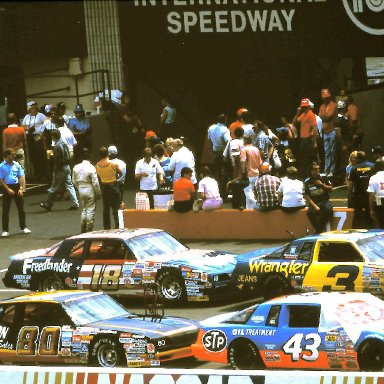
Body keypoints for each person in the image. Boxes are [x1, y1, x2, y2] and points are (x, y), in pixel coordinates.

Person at [39, 130, 80, 212]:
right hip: (67, 167)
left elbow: (58, 159)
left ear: (53, 137)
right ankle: (75, 203)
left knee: (54, 187)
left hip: (60, 169)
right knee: (69, 185)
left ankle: (48, 204)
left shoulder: (57, 146)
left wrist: (55, 166)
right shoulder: (64, 144)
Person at [0, 149, 31, 237]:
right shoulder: (2, 166)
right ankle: (5, 230)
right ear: (7, 155)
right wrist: (7, 189)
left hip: (16, 187)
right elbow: (1, 179)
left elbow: (20, 176)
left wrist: (21, 188)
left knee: (21, 209)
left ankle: (23, 227)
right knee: (5, 210)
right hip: (6, 187)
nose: (14, 156)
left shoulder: (16, 164)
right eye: (12, 155)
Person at [72, 148, 101, 233]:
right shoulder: (91, 167)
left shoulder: (76, 167)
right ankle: (89, 228)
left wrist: (78, 187)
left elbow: (74, 180)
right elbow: (95, 182)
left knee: (84, 208)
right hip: (89, 188)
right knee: (91, 209)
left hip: (81, 188)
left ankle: (83, 227)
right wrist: (98, 193)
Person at [96, 146, 123, 229]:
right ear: (108, 153)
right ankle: (118, 226)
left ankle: (107, 227)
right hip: (113, 186)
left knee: (106, 209)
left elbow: (98, 176)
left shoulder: (97, 165)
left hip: (104, 187)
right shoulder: (113, 164)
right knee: (116, 208)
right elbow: (121, 173)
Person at [304, 162, 333, 234]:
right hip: (314, 202)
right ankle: (318, 230)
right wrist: (314, 206)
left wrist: (322, 185)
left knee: (328, 209)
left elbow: (331, 188)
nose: (317, 170)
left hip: (324, 201)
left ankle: (318, 231)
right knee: (310, 213)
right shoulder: (307, 181)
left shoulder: (323, 177)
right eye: (315, 169)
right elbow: (306, 195)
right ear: (311, 171)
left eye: (318, 169)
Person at [348, 151, 374, 228]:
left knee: (357, 215)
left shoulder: (354, 168)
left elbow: (351, 184)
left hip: (358, 195)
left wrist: (350, 195)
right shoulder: (372, 166)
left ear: (357, 158)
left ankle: (355, 231)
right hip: (369, 195)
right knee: (369, 214)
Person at [292, 98, 318, 178]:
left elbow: (315, 128)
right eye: (303, 107)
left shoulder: (311, 114)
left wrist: (314, 142)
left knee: (308, 160)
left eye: (305, 107)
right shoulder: (303, 114)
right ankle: (306, 176)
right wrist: (297, 113)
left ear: (308, 106)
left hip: (308, 139)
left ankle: (310, 176)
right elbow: (294, 122)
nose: (304, 108)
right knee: (304, 159)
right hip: (303, 139)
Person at [22, 101, 46, 180]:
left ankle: (42, 173)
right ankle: (36, 173)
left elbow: (46, 123)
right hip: (30, 137)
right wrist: (27, 128)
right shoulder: (27, 117)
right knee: (33, 155)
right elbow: (23, 126)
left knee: (40, 154)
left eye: (34, 108)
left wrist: (41, 132)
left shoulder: (41, 115)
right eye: (31, 108)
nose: (33, 110)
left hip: (38, 136)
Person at [207, 113, 231, 195]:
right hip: (223, 152)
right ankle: (223, 192)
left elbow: (209, 139)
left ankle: (216, 191)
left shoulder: (211, 128)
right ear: (225, 120)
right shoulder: (225, 129)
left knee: (216, 173)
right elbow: (228, 141)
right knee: (224, 172)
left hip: (214, 152)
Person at [318, 89, 337, 178]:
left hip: (332, 130)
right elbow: (319, 118)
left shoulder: (333, 104)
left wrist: (323, 117)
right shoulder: (322, 106)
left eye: (327, 97)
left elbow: (329, 117)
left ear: (329, 97)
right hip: (325, 132)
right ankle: (326, 171)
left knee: (332, 151)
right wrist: (324, 117)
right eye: (324, 98)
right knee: (326, 152)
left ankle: (332, 171)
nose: (325, 99)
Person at [240, 135, 262, 209]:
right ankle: (249, 210)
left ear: (245, 141)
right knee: (253, 193)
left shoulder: (244, 150)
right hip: (256, 174)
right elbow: (260, 162)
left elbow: (243, 161)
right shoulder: (256, 149)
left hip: (248, 174)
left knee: (248, 194)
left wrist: (243, 173)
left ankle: (254, 209)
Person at [367, 159, 384, 228]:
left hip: (380, 202)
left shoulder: (373, 178)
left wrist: (371, 209)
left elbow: (371, 195)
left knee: (380, 223)